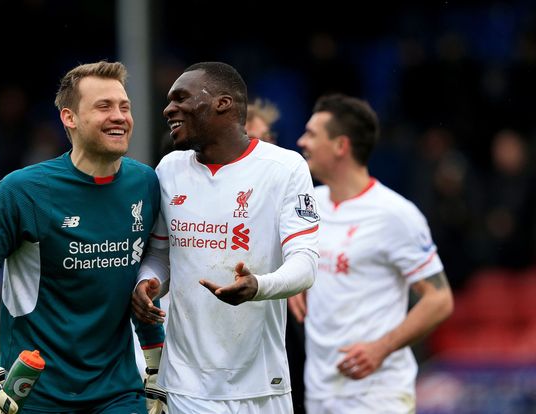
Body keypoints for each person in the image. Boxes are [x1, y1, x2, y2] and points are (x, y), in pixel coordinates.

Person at [0, 61, 165, 414]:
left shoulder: (146, 184)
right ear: (70, 118)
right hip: (36, 397)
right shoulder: (21, 192)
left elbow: (139, 285)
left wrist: (155, 365)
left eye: (124, 107)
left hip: (118, 394)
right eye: (104, 106)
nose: (119, 116)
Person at [132, 61, 319, 413]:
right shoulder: (169, 169)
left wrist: (258, 286)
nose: (168, 108)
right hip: (185, 384)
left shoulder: (285, 168)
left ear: (222, 103)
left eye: (181, 98)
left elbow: (306, 265)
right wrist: (148, 282)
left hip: (261, 384)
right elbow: (160, 256)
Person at [290, 94, 454, 413]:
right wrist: (292, 280)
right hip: (320, 391)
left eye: (311, 133)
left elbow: (439, 299)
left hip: (378, 395)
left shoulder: (395, 214)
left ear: (341, 146)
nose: (301, 141)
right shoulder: (308, 205)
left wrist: (382, 348)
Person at [245, 97, 308, 414]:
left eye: (271, 137)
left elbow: (305, 255)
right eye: (260, 138)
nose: (269, 146)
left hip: (280, 331)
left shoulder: (289, 187)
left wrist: (293, 276)